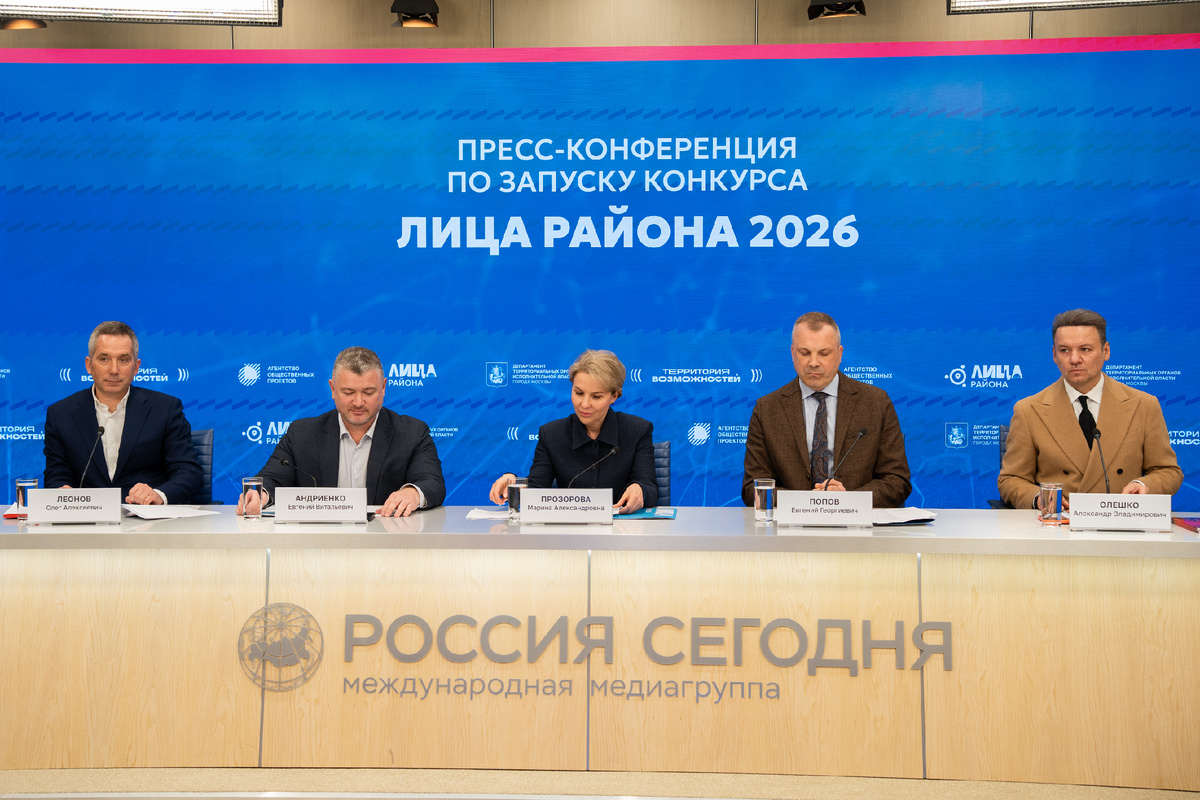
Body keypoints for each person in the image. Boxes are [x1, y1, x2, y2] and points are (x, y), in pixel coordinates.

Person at [998, 309, 1182, 509]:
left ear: (1106, 351)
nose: (1074, 359)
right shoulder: (1028, 410)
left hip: (1121, 522)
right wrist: (1041, 498)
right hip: (1059, 522)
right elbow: (1011, 479)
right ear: (1054, 355)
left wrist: (1143, 485)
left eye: (1085, 349)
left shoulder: (1143, 405)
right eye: (1064, 350)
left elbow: (1168, 471)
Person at [238, 346, 445, 518]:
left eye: (368, 392)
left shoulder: (412, 433)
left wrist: (412, 493)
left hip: (386, 543)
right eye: (348, 392)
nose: (358, 402)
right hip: (318, 546)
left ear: (383, 388)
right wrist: (259, 495)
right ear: (333, 389)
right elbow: (271, 478)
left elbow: (432, 483)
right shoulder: (302, 434)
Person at [742, 312, 911, 508]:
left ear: (839, 354)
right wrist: (809, 502)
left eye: (824, 353)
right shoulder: (767, 409)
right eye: (805, 353)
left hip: (857, 525)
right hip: (790, 526)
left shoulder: (876, 403)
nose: (814, 362)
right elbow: (753, 488)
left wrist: (847, 500)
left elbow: (897, 481)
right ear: (792, 353)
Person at [43, 321, 202, 505]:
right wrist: (61, 490)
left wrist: (158, 495)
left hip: (147, 516)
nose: (114, 370)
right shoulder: (61, 414)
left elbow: (189, 472)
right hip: (88, 517)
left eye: (123, 360)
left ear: (136, 367)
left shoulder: (166, 409)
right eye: (104, 359)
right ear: (89, 365)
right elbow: (56, 475)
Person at [488, 349, 658, 514]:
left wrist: (640, 490)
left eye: (596, 396)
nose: (584, 404)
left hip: (622, 528)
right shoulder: (551, 434)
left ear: (614, 396)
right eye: (579, 393)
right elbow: (535, 490)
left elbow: (649, 487)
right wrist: (513, 483)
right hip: (568, 529)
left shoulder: (637, 430)